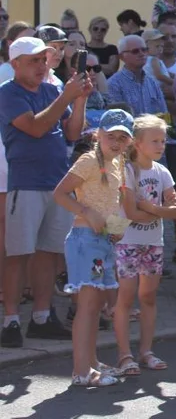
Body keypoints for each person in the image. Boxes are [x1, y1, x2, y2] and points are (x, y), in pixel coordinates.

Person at [0, 37, 91, 349]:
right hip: (24, 182)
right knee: (17, 254)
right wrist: (67, 97)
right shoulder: (7, 92)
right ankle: (11, 320)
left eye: (44, 60)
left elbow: (73, 132)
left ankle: (41, 317)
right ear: (15, 65)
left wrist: (79, 100)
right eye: (34, 60)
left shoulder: (53, 91)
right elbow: (35, 127)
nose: (41, 66)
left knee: (49, 254)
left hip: (55, 183)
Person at [51, 109, 134, 387]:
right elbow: (60, 194)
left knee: (96, 305)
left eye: (123, 138)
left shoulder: (119, 162)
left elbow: (109, 202)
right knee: (87, 307)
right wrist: (86, 211)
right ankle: (81, 371)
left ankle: (92, 362)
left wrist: (114, 227)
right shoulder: (88, 160)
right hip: (84, 241)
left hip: (102, 241)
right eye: (112, 136)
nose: (117, 142)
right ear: (99, 134)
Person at [113, 115, 176, 377]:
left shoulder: (162, 172)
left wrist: (150, 208)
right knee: (126, 298)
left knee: (148, 297)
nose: (161, 146)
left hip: (154, 242)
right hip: (127, 242)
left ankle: (146, 351)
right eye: (155, 141)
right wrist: (159, 211)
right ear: (138, 143)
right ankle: (124, 354)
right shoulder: (127, 170)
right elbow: (129, 211)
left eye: (163, 141)